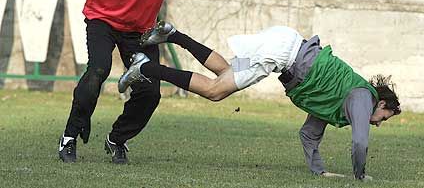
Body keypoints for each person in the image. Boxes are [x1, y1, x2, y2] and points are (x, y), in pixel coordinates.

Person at [0, 0, 241, 164]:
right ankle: (70, 135)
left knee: (150, 94)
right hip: (103, 22)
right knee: (98, 72)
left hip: (140, 31)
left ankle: (117, 138)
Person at [119, 21, 401, 181]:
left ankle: (173, 34)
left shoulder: (341, 97)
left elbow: (309, 133)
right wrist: (359, 176)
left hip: (284, 42)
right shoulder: (364, 97)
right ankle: (144, 68)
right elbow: (360, 141)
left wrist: (320, 172)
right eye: (383, 119)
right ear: (382, 105)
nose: (377, 123)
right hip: (280, 54)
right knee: (215, 91)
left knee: (225, 71)